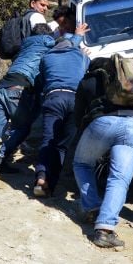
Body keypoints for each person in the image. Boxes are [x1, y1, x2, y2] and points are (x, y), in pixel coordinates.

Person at [72, 57, 133, 249]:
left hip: (102, 123)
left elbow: (77, 116)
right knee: (119, 179)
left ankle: (92, 206)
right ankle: (105, 231)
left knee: (82, 163)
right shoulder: (129, 81)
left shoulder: (88, 81)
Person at [0, 23, 55, 175]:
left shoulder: (24, 45)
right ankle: (0, 160)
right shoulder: (46, 41)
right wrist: (77, 37)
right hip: (17, 89)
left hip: (1, 88)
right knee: (22, 128)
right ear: (47, 34)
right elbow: (65, 45)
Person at [32, 30, 89, 197]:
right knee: (62, 146)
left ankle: (41, 177)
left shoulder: (46, 57)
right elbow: (86, 71)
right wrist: (83, 55)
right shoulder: (81, 56)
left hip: (54, 97)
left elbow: (42, 78)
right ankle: (51, 185)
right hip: (75, 100)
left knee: (47, 140)